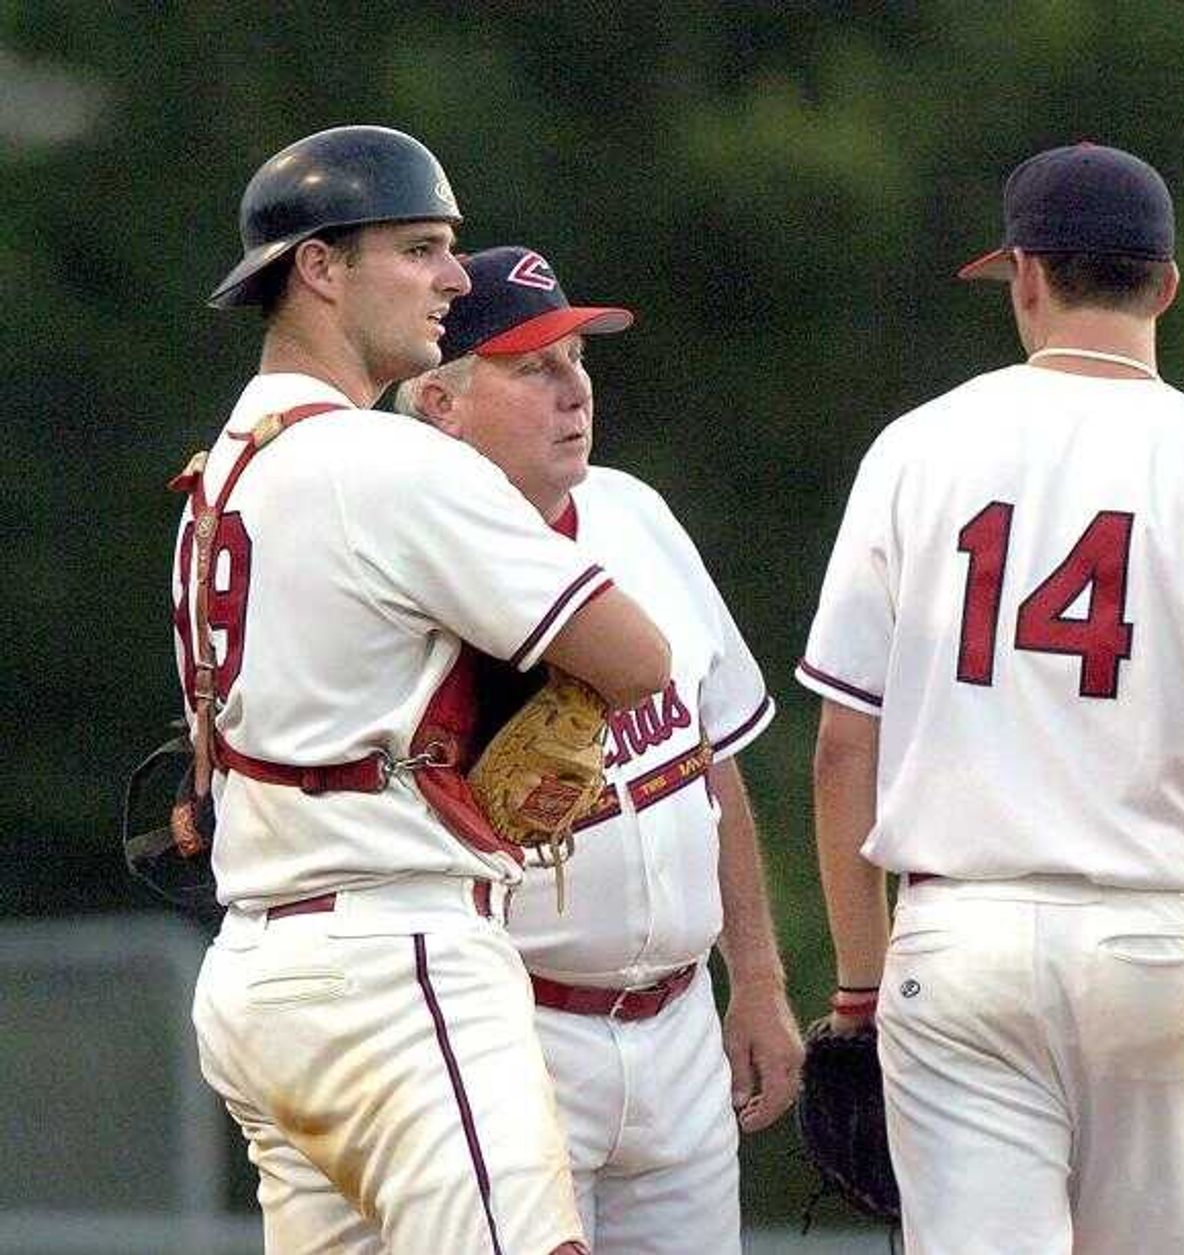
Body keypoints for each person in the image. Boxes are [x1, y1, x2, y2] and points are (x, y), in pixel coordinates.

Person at [798, 142, 1184, 1254]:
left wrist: (862, 985)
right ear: (1163, 283)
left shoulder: (916, 449)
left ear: (1023, 275)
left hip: (955, 938)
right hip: (1151, 942)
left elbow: (840, 745)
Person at [178, 127, 672, 1254]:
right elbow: (638, 656)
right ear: (318, 266)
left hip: (262, 972)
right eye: (421, 248)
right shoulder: (385, 462)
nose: (454, 277)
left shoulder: (221, 471)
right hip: (393, 965)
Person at [395, 245, 805, 1254]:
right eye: (532, 367)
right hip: (509, 1030)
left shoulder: (635, 513)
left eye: (578, 359)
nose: (574, 389)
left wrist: (755, 975)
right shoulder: (399, 565)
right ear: (442, 405)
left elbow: (710, 763)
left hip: (677, 1026)